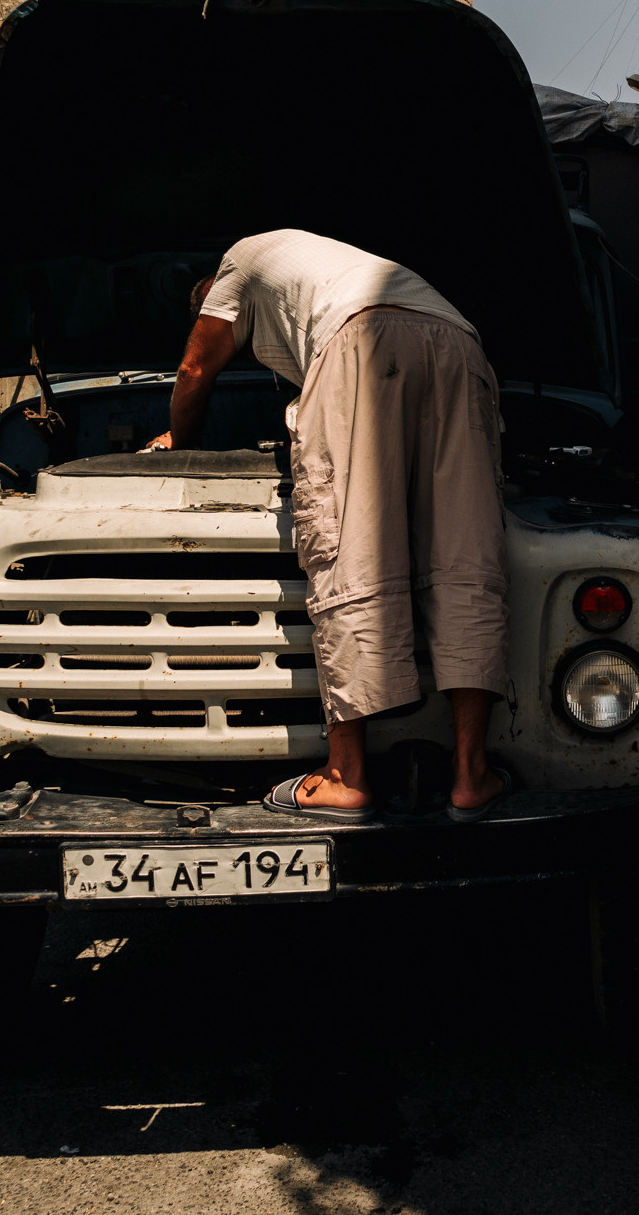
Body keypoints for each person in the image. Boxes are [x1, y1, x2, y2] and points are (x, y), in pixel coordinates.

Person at [159, 229, 512, 822]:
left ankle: (345, 777)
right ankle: (471, 776)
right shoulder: (310, 264)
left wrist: (179, 446)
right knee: (466, 559)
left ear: (214, 300)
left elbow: (196, 367)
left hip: (360, 341)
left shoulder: (234, 266)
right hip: (459, 342)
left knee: (348, 549)